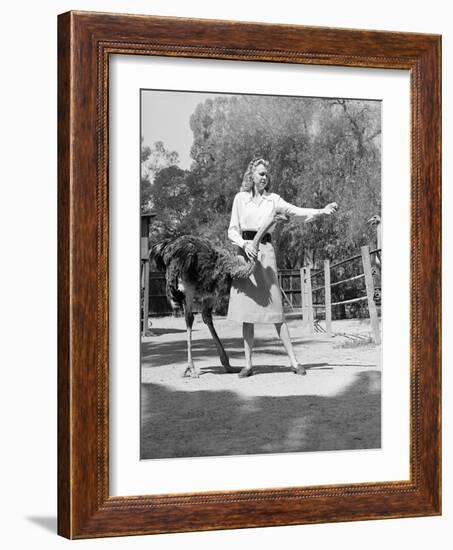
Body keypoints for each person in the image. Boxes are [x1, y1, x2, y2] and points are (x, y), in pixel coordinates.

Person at [227, 157, 337, 378]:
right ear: (251, 176)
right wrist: (244, 244)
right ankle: (248, 364)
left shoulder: (273, 200)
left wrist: (322, 211)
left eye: (266, 174)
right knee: (247, 314)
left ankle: (294, 362)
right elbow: (232, 230)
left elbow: (296, 210)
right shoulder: (240, 199)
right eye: (260, 174)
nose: (264, 177)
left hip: (266, 254)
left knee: (276, 311)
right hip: (245, 255)